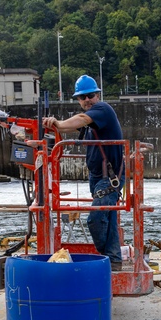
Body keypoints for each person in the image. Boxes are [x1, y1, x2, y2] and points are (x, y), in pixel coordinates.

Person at [42, 75, 124, 270]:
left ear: (97, 95)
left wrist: (58, 123)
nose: (87, 99)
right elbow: (78, 124)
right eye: (82, 97)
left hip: (110, 177)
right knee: (109, 218)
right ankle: (113, 260)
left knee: (96, 219)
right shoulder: (91, 121)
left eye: (90, 95)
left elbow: (81, 119)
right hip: (97, 176)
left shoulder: (102, 110)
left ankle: (104, 260)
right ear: (78, 99)